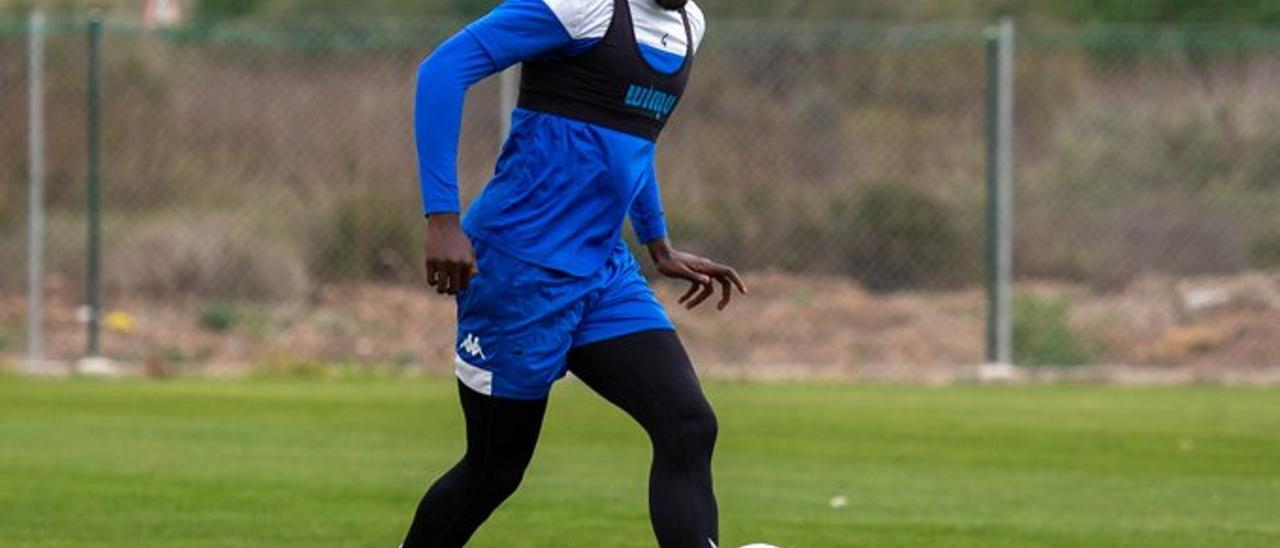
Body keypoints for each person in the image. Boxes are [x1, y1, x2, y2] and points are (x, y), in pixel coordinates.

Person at [404, 0, 745, 546]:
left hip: (604, 271)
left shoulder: (689, 25)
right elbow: (442, 70)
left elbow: (632, 142)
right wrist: (442, 216)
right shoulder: (581, 6)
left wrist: (657, 242)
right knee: (494, 473)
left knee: (687, 425)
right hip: (520, 269)